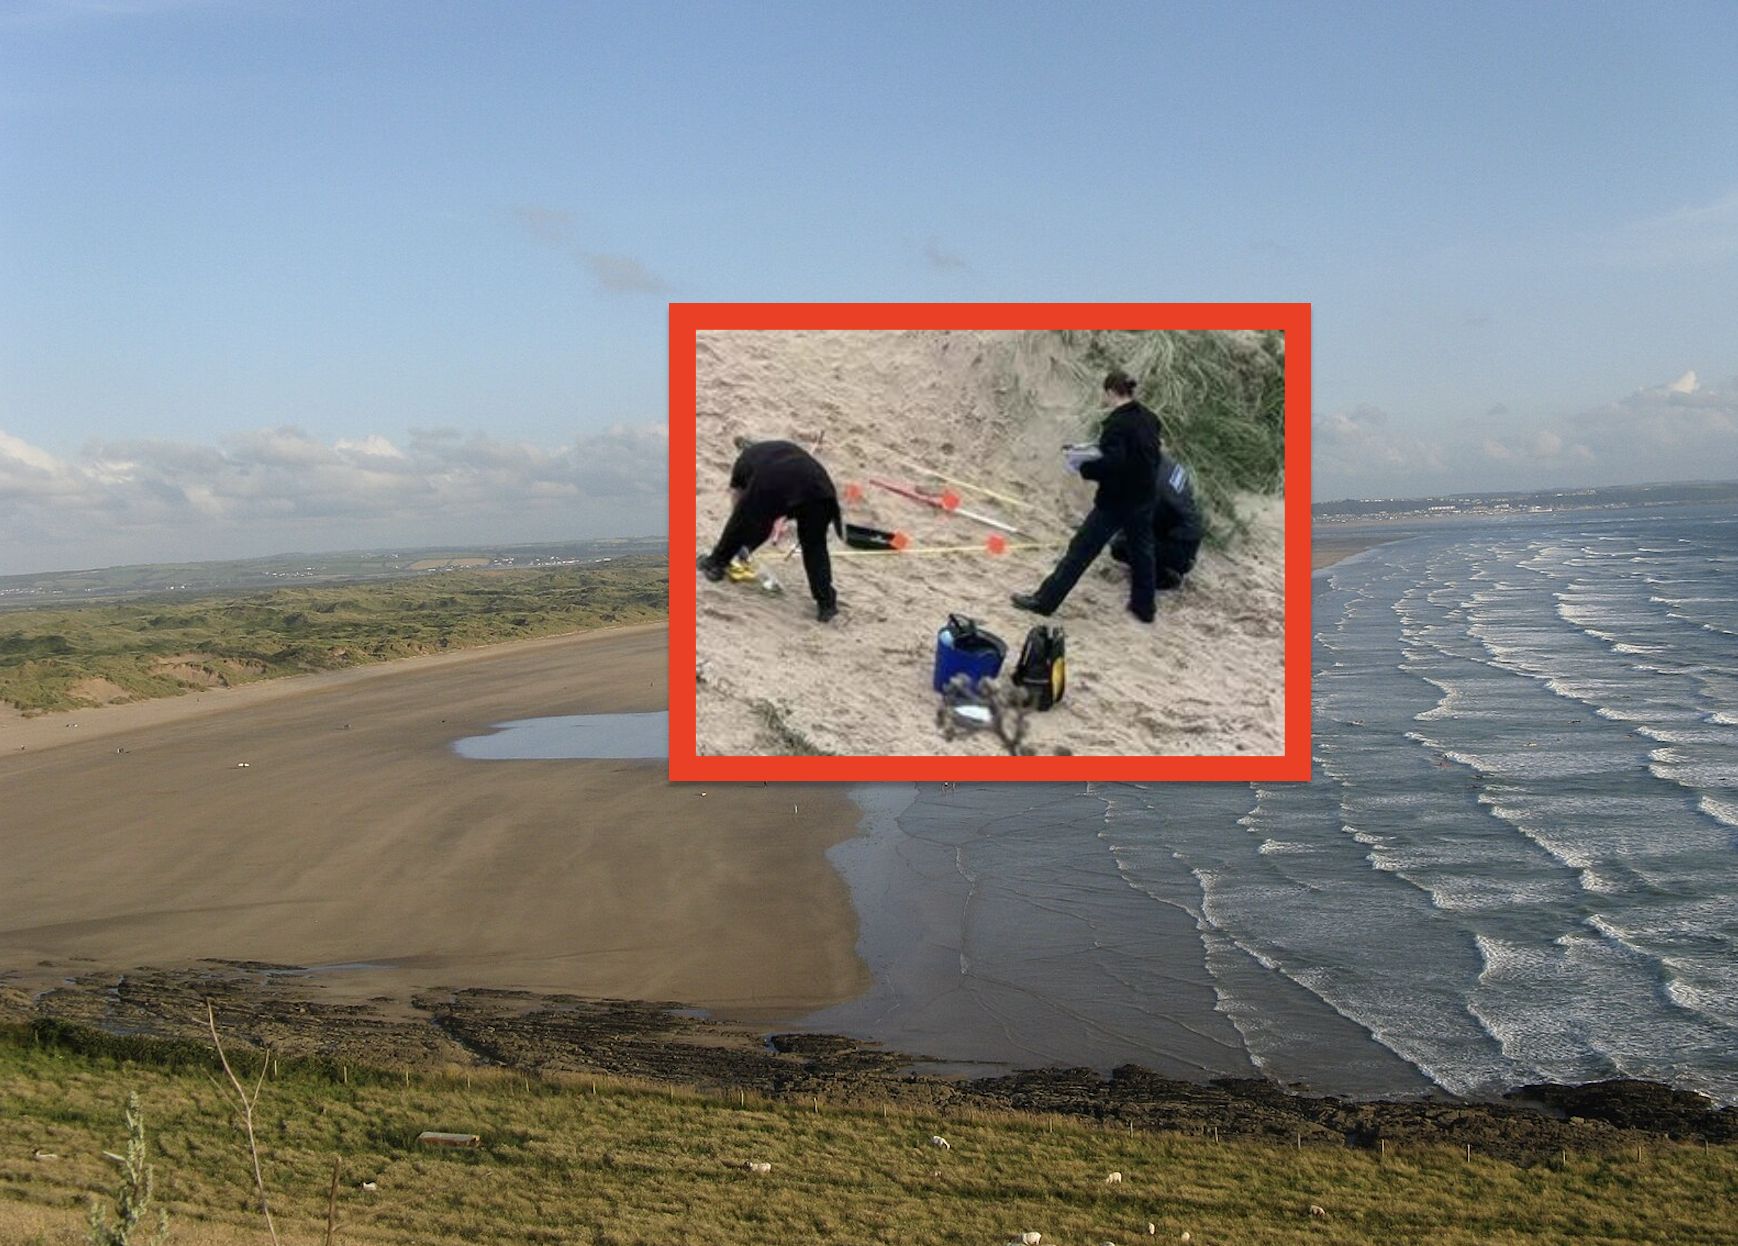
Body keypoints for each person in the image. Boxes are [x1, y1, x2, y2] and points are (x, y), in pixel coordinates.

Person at [1013, 369, 1162, 623]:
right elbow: (1150, 455)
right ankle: (1144, 608)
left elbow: (1114, 462)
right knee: (1142, 553)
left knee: (1080, 551)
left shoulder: (1117, 424)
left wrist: (1085, 467)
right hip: (1144, 497)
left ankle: (1044, 601)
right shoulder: (1150, 418)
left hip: (1117, 501)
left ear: (1110, 392)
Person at [699, 436, 843, 622]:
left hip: (776, 483)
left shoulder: (743, 463)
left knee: (743, 519)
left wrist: (727, 549)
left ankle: (715, 564)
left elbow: (740, 510)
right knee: (815, 547)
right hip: (822, 490)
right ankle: (827, 604)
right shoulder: (775, 449)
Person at [1109, 452, 1202, 591]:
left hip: (1180, 550)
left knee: (1120, 547)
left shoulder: (1154, 488)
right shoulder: (1166, 462)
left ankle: (1164, 576)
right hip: (1189, 539)